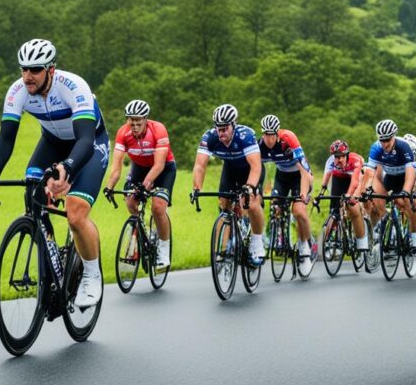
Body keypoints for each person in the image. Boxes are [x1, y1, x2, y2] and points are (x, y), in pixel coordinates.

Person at [0, 39, 109, 308]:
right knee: (33, 191)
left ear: (51, 70)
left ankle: (91, 276)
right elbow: (6, 138)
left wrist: (67, 168)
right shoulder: (18, 91)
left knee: (75, 212)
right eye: (23, 69)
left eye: (35, 69)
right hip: (51, 142)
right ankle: (52, 268)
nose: (27, 76)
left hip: (89, 145)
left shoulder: (73, 86)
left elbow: (84, 139)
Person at [191, 104, 266, 266]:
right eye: (218, 129)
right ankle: (227, 242)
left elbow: (255, 166)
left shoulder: (245, 136)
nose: (221, 133)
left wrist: (250, 186)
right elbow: (199, 165)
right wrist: (197, 188)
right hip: (230, 170)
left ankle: (257, 241)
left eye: (225, 129)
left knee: (252, 204)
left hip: (250, 170)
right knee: (224, 203)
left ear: (234, 125)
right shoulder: (210, 137)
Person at [104, 100, 175, 268]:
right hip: (139, 168)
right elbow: (116, 166)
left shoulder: (158, 130)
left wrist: (145, 185)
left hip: (164, 169)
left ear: (146, 120)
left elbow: (159, 165)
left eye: (138, 122)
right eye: (131, 121)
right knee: (130, 201)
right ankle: (144, 234)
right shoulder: (123, 133)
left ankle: (163, 249)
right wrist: (109, 186)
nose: (134, 126)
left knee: (158, 207)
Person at [360, 119, 416, 274]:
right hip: (390, 177)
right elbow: (370, 173)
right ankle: (385, 223)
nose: (384, 143)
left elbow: (410, 173)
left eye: (387, 140)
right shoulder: (376, 148)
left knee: (406, 202)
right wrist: (365, 190)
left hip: (404, 177)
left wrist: (406, 191)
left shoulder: (403, 147)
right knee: (372, 197)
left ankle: (414, 241)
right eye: (382, 140)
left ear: (394, 136)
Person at [258, 114, 315, 275]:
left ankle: (305, 247)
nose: (269, 139)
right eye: (265, 134)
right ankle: (280, 234)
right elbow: (258, 170)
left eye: (272, 135)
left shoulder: (288, 140)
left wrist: (303, 194)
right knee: (276, 205)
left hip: (300, 175)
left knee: (298, 211)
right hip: (282, 176)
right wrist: (260, 190)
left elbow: (305, 172)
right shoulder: (260, 145)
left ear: (277, 134)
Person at [320, 139, 368, 251]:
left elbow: (356, 182)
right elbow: (326, 177)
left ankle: (362, 241)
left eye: (339, 157)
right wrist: (321, 193)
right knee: (334, 209)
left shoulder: (355, 160)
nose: (337, 160)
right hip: (339, 178)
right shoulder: (331, 161)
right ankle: (327, 242)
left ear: (346, 155)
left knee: (353, 204)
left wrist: (350, 195)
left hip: (355, 178)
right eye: (335, 157)